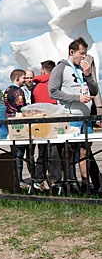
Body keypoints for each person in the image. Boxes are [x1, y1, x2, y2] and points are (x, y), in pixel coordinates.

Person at [49, 37, 99, 195]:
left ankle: (86, 183)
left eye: (86, 54)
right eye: (82, 54)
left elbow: (94, 91)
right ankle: (67, 183)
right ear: (72, 52)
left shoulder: (83, 68)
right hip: (71, 116)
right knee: (68, 152)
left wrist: (88, 75)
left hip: (85, 116)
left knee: (85, 151)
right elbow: (53, 91)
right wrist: (76, 98)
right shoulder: (61, 68)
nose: (84, 57)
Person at [31, 60, 62, 191]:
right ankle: (57, 182)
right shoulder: (56, 84)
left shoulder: (35, 86)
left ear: (43, 71)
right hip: (55, 121)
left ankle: (38, 179)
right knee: (55, 153)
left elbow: (33, 105)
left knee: (42, 152)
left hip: (40, 122)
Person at [3, 69, 30, 190]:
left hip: (9, 122)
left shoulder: (7, 90)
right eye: (24, 78)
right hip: (18, 123)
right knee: (20, 152)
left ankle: (14, 177)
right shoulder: (18, 91)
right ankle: (19, 179)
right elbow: (21, 108)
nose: (26, 80)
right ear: (17, 78)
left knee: (14, 151)